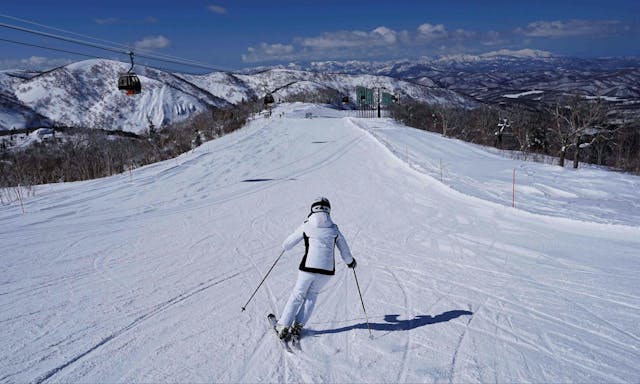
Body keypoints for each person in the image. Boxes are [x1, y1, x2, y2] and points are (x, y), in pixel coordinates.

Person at [275, 197, 356, 340]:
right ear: (328, 211)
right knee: (311, 296)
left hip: (308, 268)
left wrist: (285, 247)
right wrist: (350, 262)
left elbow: (288, 244)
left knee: (298, 295)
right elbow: (345, 250)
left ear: (312, 209)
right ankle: (297, 326)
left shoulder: (306, 225)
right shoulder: (334, 229)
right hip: (327, 272)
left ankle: (283, 325)